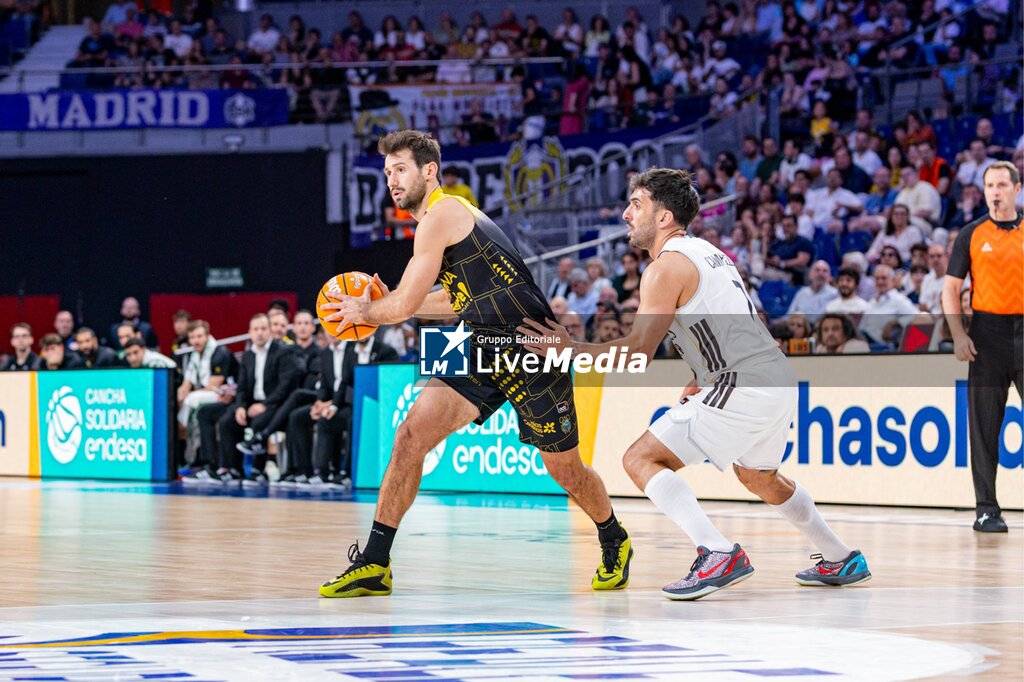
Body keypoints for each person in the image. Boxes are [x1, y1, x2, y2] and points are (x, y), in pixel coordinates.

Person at [519, 168, 869, 600]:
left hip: (742, 382)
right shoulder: (710, 253)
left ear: (664, 217)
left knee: (639, 459)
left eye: (637, 204)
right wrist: (700, 373)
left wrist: (568, 347)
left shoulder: (665, 268)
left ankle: (718, 552)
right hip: (775, 378)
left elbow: (636, 355)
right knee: (758, 476)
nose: (627, 214)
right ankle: (840, 556)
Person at [318, 130, 632, 597]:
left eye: (400, 169)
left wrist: (368, 310)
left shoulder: (442, 214)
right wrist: (399, 302)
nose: (392, 181)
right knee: (409, 437)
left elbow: (403, 306)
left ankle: (614, 538)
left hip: (533, 348)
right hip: (482, 343)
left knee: (564, 470)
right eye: (386, 174)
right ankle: (375, 563)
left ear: (429, 171)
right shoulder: (449, 219)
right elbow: (459, 299)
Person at [941, 161, 1023, 533]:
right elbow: (950, 288)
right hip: (987, 335)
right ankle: (987, 510)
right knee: (984, 428)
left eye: (1002, 184)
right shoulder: (971, 234)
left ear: (1016, 189)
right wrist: (958, 334)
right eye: (990, 185)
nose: (995, 191)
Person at [212, 314, 297, 486]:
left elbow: (284, 387)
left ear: (270, 331)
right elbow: (242, 387)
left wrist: (264, 405)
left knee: (259, 422)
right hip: (252, 404)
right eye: (256, 329)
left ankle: (258, 471)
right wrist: (241, 407)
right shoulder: (248, 355)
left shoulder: (283, 352)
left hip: (275, 405)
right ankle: (233, 469)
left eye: (263, 329)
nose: (260, 333)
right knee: (227, 421)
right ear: (250, 332)